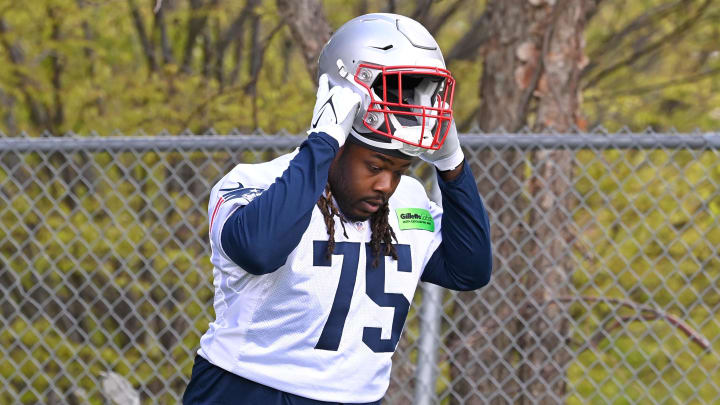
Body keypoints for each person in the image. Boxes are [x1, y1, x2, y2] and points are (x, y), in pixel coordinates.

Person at [183, 12, 492, 405]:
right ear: (339, 139)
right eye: (375, 167)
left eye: (399, 170)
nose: (386, 184)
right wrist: (324, 137)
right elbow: (259, 251)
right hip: (249, 389)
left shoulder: (406, 199)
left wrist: (453, 166)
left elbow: (469, 270)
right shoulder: (255, 183)